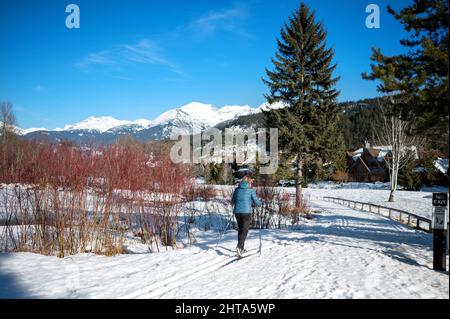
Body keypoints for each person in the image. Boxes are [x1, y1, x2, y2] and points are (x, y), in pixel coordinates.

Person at [231, 174, 262, 257]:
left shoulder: (237, 190)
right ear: (249, 181)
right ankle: (239, 247)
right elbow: (256, 201)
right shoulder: (250, 190)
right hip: (246, 212)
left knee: (241, 230)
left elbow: (233, 201)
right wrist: (260, 203)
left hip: (237, 212)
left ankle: (241, 248)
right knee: (244, 231)